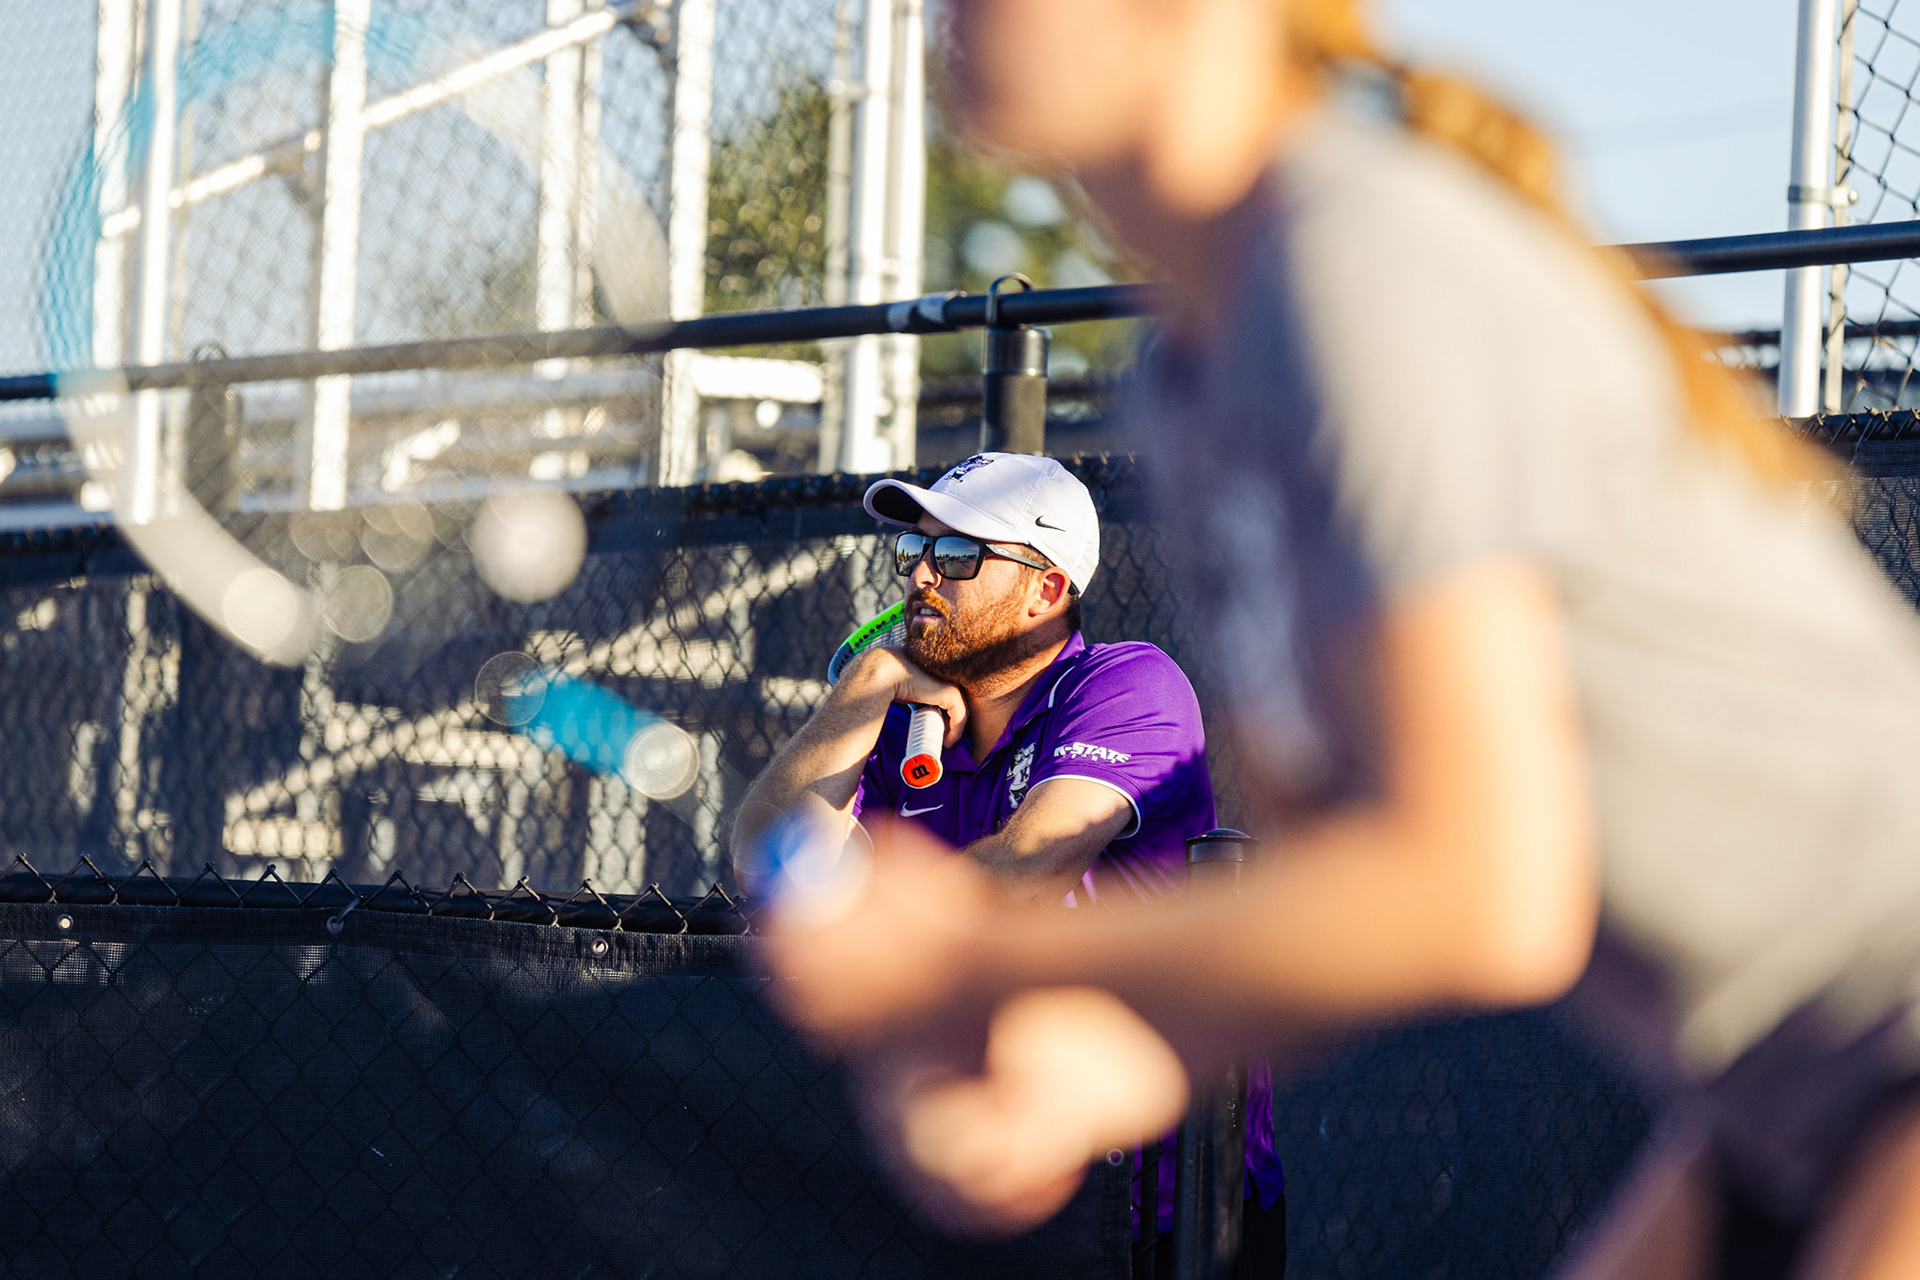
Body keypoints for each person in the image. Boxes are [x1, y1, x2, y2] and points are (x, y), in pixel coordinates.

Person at [758, 1, 1920, 1277]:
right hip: (1791, 1101)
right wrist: (1089, 1072)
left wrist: (978, 951)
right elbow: (1331, 886)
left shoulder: (1360, 258)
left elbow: (1483, 890)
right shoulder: (1194, 366)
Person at [732, 452, 1286, 1265]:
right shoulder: (891, 720)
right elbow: (766, 857)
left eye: (957, 556)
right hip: (982, 1187)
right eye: (913, 552)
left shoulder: (1128, 683)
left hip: (1167, 1208)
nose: (922, 576)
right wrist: (868, 685)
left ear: (1047, 589)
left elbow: (1027, 870)